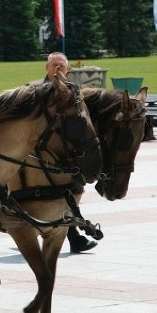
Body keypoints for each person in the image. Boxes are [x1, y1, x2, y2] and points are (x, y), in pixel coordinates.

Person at [42, 52, 98, 253]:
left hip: (65, 152)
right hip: (42, 152)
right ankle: (74, 237)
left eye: (62, 66)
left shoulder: (74, 91)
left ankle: (71, 234)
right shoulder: (36, 90)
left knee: (74, 190)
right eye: (54, 65)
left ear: (67, 69)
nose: (58, 68)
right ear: (46, 68)